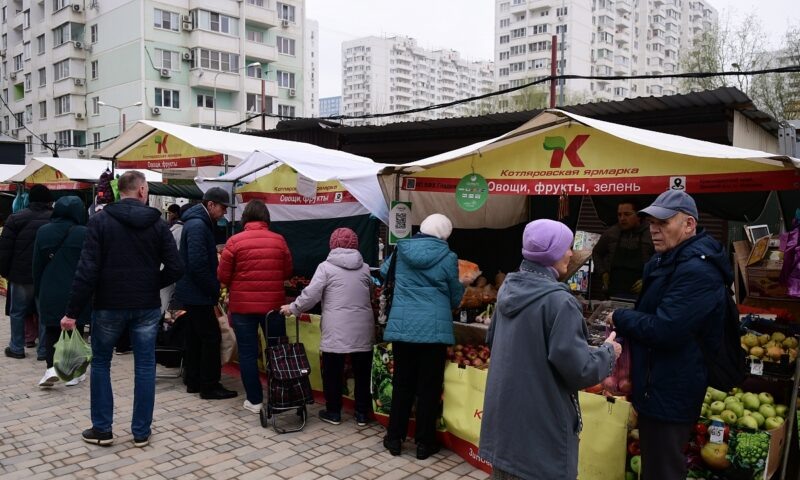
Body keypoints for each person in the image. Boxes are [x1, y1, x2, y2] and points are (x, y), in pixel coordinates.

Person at [479, 219, 621, 480]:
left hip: (505, 429)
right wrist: (609, 351)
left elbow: (492, 342)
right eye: (566, 247)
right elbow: (580, 370)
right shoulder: (559, 302)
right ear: (552, 253)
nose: (570, 253)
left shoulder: (507, 290)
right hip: (541, 433)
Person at [606, 190, 731, 480]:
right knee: (655, 465)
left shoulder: (698, 271)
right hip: (655, 383)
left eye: (663, 223)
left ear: (689, 224)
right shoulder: (667, 262)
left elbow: (666, 329)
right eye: (651, 222)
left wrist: (620, 317)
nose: (654, 229)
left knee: (663, 469)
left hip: (671, 388)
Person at [61, 171, 183, 447]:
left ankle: (102, 429)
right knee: (144, 366)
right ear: (142, 190)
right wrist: (152, 283)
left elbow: (87, 270)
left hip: (108, 304)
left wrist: (71, 311)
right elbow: (176, 267)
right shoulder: (158, 224)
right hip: (146, 305)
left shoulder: (100, 221)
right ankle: (141, 432)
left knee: (102, 363)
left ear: (120, 191)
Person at [381, 213, 464, 460]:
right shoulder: (448, 258)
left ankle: (394, 439)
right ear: (444, 234)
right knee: (428, 388)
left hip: (403, 329)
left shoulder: (401, 250)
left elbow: (385, 273)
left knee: (402, 385)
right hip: (434, 333)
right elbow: (455, 296)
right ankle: (424, 444)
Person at [280, 227, 373, 426]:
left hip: (336, 328)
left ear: (332, 245)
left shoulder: (325, 267)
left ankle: (333, 412)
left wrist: (293, 308)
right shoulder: (364, 268)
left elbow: (311, 295)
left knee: (333, 371)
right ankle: (362, 414)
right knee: (362, 372)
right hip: (363, 328)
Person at [217, 200, 293, 413]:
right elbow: (287, 271)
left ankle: (255, 400)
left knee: (249, 354)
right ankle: (279, 397)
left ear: (245, 218)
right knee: (277, 351)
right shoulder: (279, 240)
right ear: (266, 218)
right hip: (273, 308)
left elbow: (223, 275)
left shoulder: (234, 242)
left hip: (243, 308)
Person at [175, 187, 237, 400]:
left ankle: (193, 380)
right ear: (210, 205)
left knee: (194, 337)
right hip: (197, 293)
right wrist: (214, 288)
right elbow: (198, 264)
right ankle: (209, 385)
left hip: (192, 291)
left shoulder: (197, 223)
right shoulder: (198, 226)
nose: (224, 213)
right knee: (211, 337)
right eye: (222, 208)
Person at [32, 196, 92, 388]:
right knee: (76, 329)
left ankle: (51, 368)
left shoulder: (43, 232)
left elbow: (36, 265)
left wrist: (39, 288)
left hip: (50, 288)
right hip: (77, 288)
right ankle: (74, 372)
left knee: (51, 330)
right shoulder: (84, 232)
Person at [0, 184, 53, 360]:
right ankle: (44, 351)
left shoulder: (15, 218)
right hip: (46, 275)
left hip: (20, 275)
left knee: (17, 312)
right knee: (44, 313)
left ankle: (16, 347)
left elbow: (5, 250)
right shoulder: (55, 219)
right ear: (48, 201)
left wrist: (5, 272)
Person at [592, 198, 654, 299]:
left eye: (627, 214)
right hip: (613, 292)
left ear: (639, 216)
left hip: (642, 295)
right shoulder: (611, 233)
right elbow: (596, 253)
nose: (622, 218)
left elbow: (663, 260)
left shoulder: (651, 234)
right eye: (619, 215)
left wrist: (648, 279)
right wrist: (603, 273)